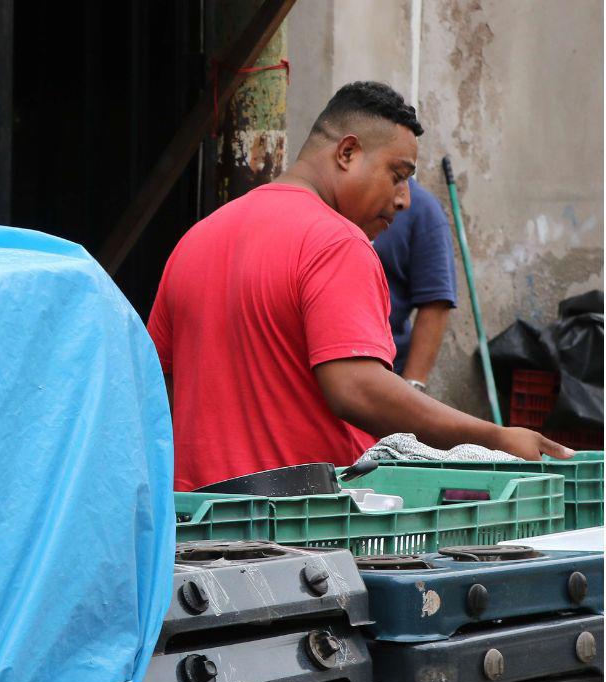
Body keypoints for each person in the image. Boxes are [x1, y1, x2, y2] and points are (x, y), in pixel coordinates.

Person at [146, 81, 569, 491]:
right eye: (397, 174)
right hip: (304, 531)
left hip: (196, 523)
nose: (404, 199)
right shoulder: (336, 241)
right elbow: (357, 389)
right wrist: (493, 438)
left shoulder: (195, 239)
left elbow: (159, 389)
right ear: (347, 152)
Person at [373, 178, 457, 389]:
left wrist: (412, 385)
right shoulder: (333, 200)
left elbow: (435, 302)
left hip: (385, 370)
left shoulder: (421, 210)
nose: (403, 200)